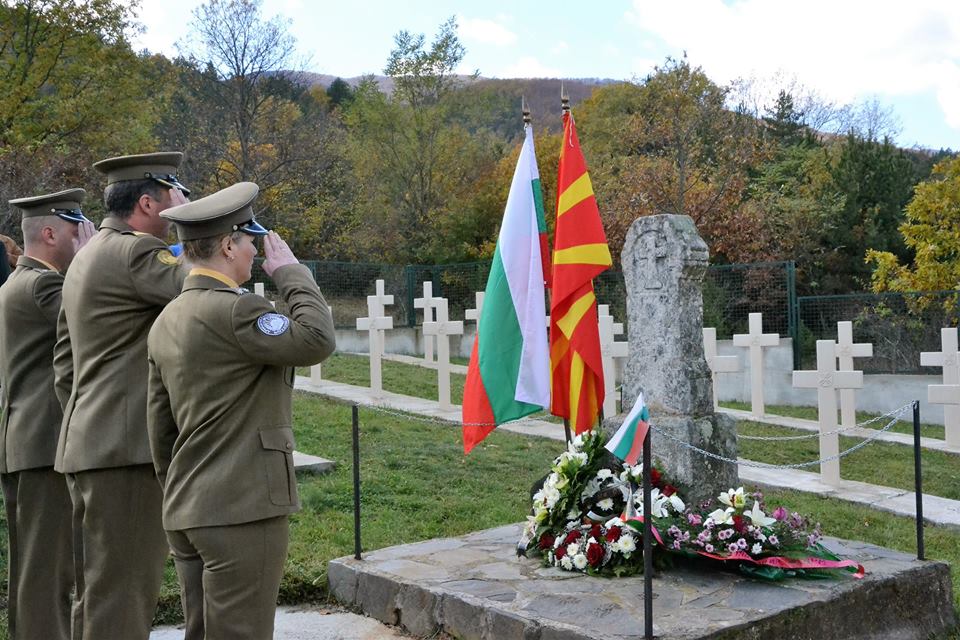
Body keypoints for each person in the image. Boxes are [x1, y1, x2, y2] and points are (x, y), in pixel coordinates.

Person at [147, 181, 335, 639]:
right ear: (228, 245)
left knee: (204, 631)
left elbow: (160, 429)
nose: (257, 252)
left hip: (187, 506)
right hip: (240, 508)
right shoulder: (237, 310)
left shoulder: (167, 318)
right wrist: (291, 272)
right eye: (251, 241)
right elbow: (316, 339)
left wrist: (176, 487)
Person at [53, 152, 191, 640]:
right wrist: (198, 231)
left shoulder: (85, 256)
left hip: (88, 441)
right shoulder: (135, 254)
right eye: (176, 197)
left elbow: (64, 366)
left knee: (96, 594)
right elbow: (206, 283)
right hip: (125, 448)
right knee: (125, 595)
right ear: (149, 202)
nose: (181, 206)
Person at [0, 189, 96, 639]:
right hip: (42, 444)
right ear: (51, 232)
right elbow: (93, 321)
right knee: (48, 574)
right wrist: (92, 263)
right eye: (78, 230)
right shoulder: (43, 285)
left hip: (24, 439)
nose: (84, 237)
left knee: (33, 569)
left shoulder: (16, 282)